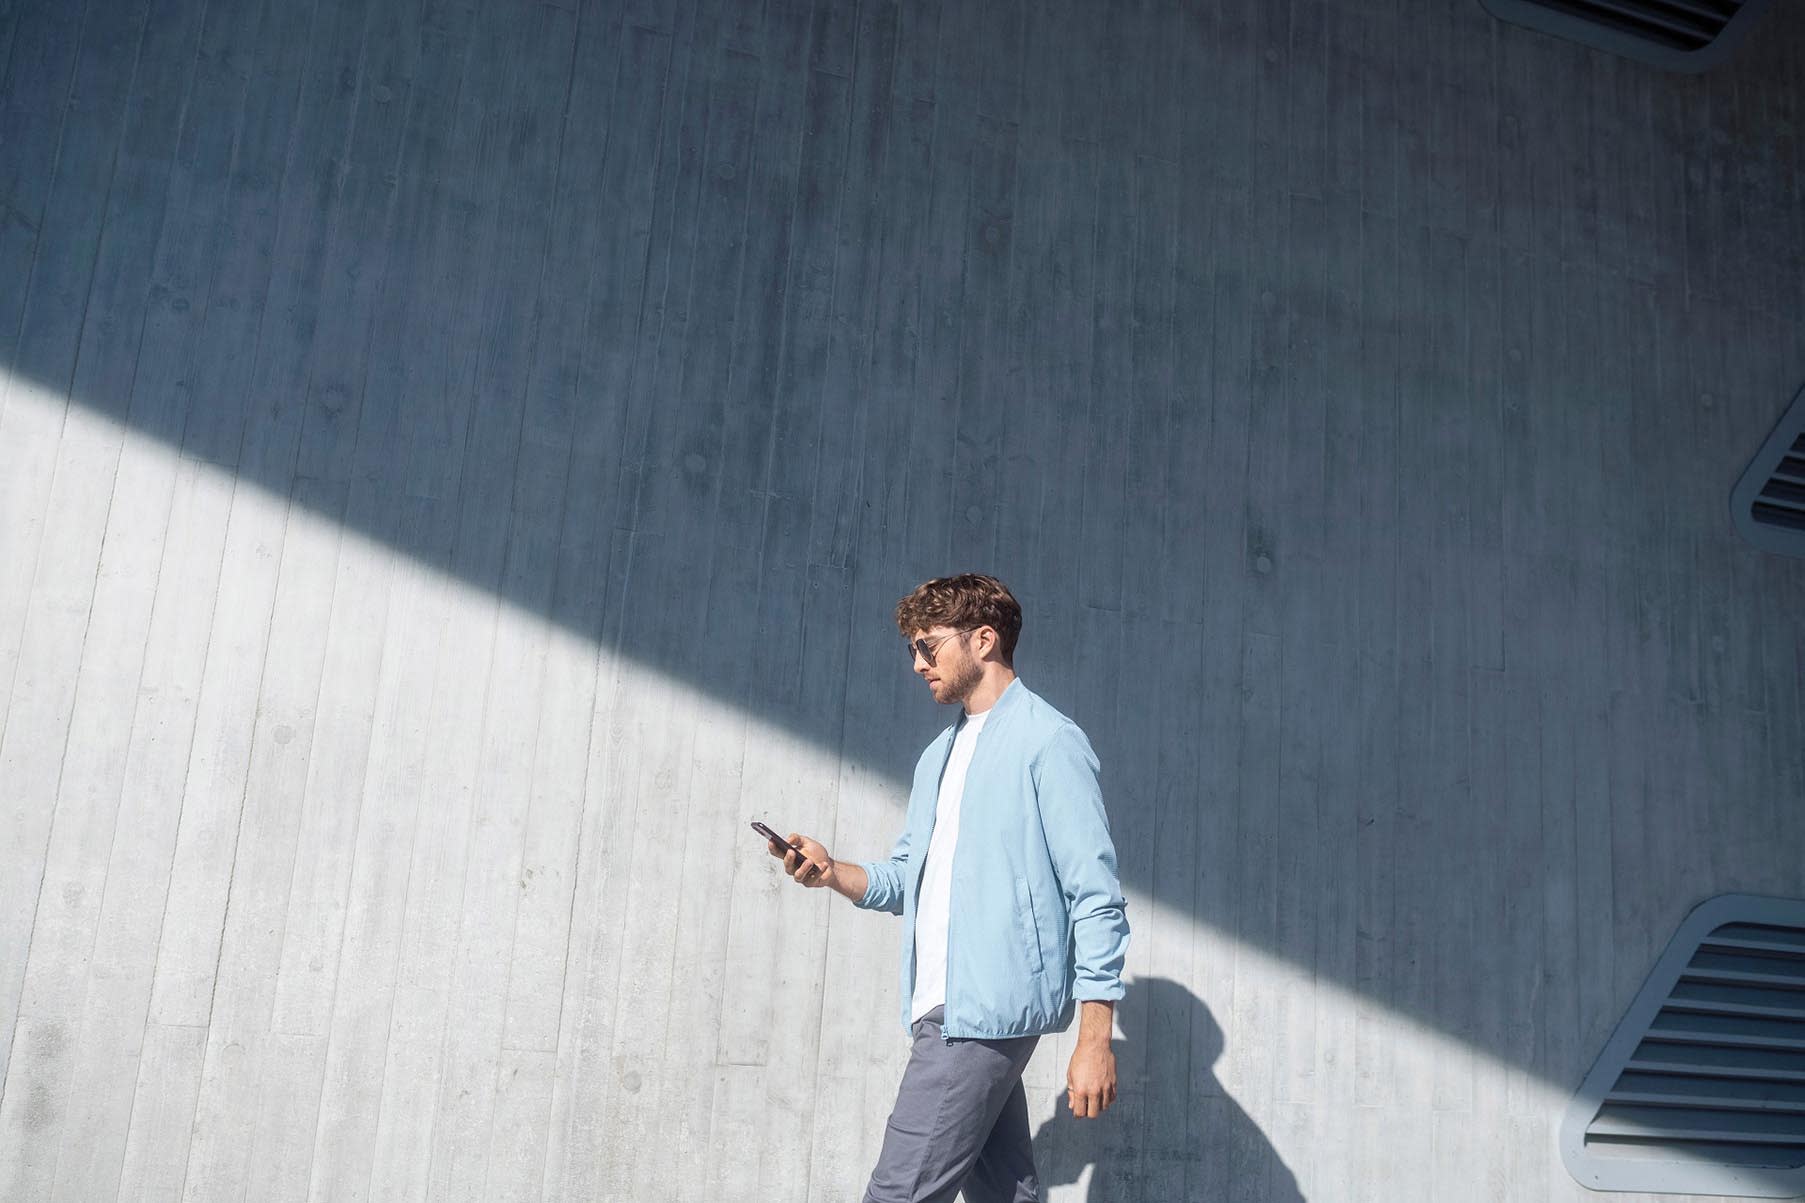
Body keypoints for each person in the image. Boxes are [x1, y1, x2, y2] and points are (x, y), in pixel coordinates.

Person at [766, 573, 1131, 1203]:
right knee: (1003, 1193)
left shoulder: (1049, 742)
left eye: (928, 646)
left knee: (897, 1193)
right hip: (943, 1004)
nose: (917, 663)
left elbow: (1096, 897)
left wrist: (1095, 1038)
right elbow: (908, 876)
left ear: (983, 640)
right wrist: (830, 872)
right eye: (913, 649)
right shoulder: (939, 755)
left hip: (981, 1015)